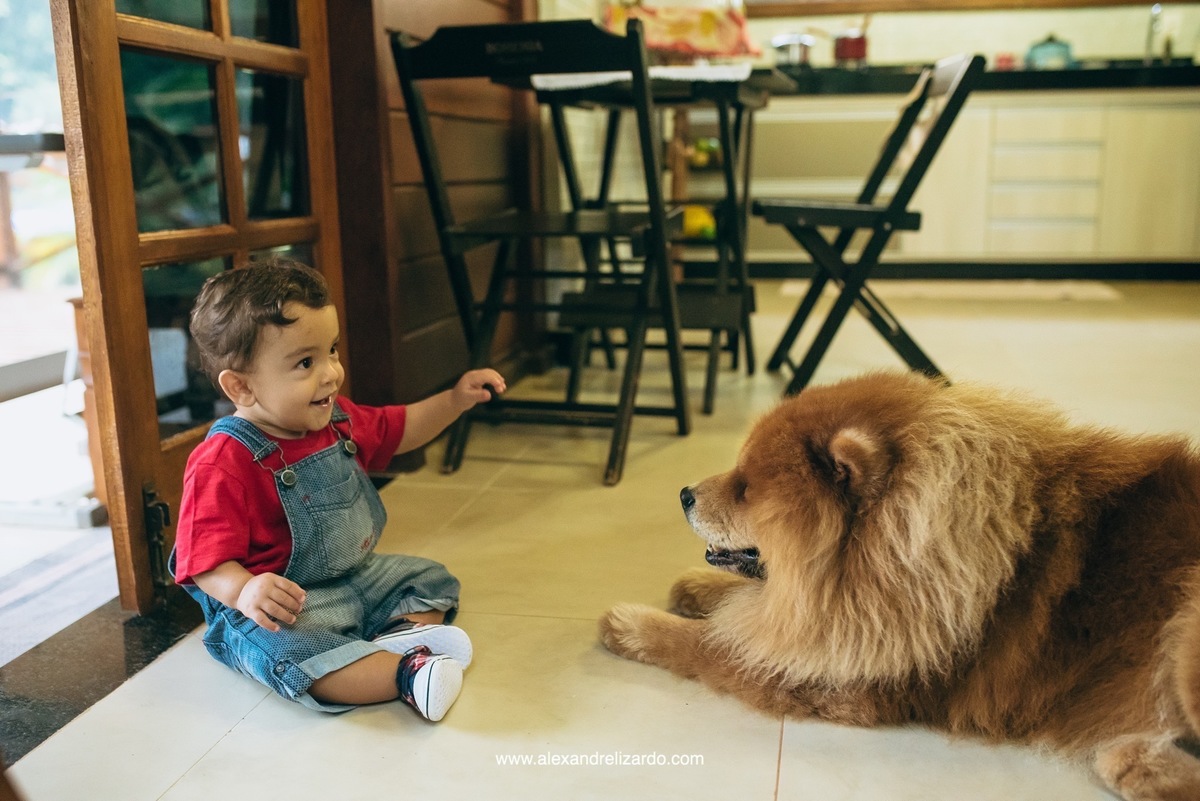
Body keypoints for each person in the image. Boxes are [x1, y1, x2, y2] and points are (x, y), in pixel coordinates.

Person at [170, 257, 505, 722]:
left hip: (355, 579)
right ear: (241, 386)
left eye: (332, 350)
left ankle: (393, 636)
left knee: (429, 578)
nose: (331, 372)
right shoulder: (223, 461)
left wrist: (455, 399)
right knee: (288, 652)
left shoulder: (337, 419)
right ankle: (408, 674)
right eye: (305, 362)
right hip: (286, 609)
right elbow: (201, 561)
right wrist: (245, 589)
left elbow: (399, 428)